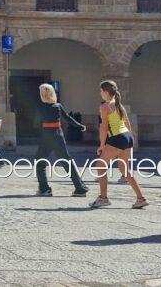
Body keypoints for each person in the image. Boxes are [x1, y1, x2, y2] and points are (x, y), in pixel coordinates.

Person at [89, 80, 147, 209]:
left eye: (101, 91)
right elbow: (127, 123)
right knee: (124, 170)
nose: (100, 93)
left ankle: (103, 198)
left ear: (105, 92)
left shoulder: (104, 106)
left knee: (100, 166)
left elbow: (104, 127)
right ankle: (141, 198)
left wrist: (102, 145)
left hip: (117, 137)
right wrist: (130, 140)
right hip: (127, 137)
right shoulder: (119, 105)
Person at [34, 83, 88, 197]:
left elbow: (36, 123)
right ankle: (80, 188)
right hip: (58, 136)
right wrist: (80, 126)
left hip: (46, 137)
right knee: (67, 161)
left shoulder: (40, 107)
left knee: (39, 162)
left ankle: (44, 189)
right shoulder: (58, 106)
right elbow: (68, 118)